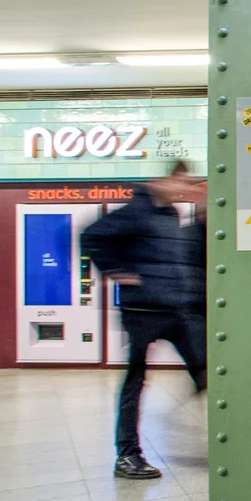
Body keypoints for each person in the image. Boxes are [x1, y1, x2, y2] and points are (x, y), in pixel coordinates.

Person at [81, 161, 208, 479]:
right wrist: (119, 272)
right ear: (162, 179)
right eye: (178, 181)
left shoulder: (173, 215)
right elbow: (92, 236)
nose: (181, 188)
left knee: (207, 370)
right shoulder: (135, 211)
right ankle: (127, 455)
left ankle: (214, 438)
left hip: (177, 309)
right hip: (142, 313)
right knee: (135, 381)